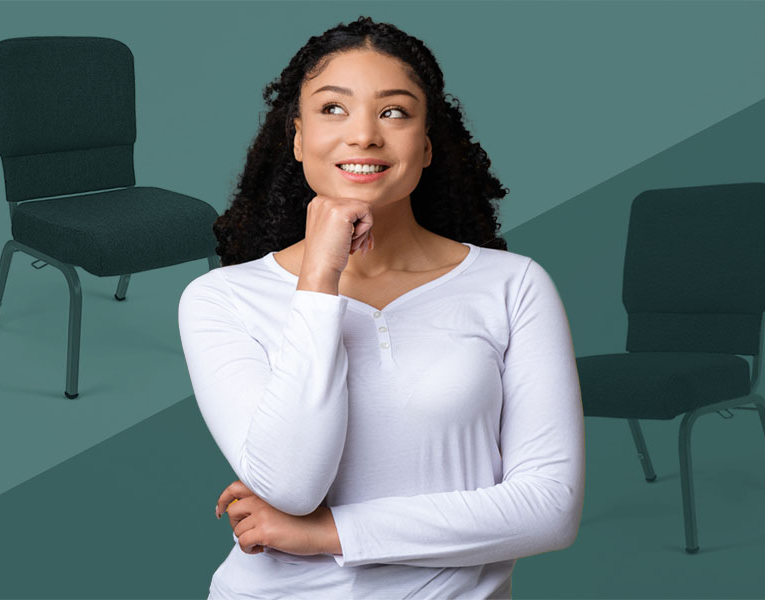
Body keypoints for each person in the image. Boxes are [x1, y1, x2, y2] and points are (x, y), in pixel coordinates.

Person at [178, 16, 584, 599]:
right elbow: (291, 485)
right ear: (297, 138)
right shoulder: (221, 298)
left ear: (426, 145)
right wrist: (319, 277)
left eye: (394, 111)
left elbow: (549, 509)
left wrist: (329, 533)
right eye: (333, 109)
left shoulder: (512, 286)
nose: (364, 134)